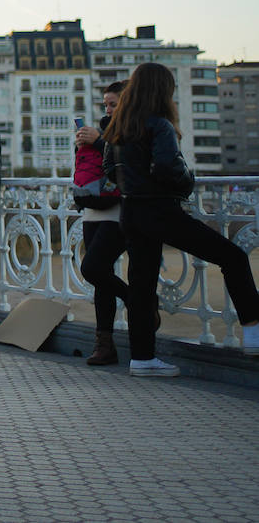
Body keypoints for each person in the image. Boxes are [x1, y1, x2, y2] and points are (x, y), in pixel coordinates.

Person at [104, 62, 259, 375]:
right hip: (160, 210)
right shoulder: (159, 124)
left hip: (131, 212)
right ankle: (254, 333)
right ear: (163, 90)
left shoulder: (117, 126)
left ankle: (142, 359)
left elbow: (110, 169)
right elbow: (167, 168)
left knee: (141, 286)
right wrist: (188, 179)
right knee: (233, 257)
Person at [73, 81, 129, 365]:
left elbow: (129, 161)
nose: (107, 109)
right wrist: (83, 145)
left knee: (92, 267)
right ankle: (104, 344)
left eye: (113, 104)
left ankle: (136, 301)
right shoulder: (103, 129)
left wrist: (97, 141)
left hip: (117, 211)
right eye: (105, 104)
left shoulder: (133, 129)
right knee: (100, 279)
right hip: (92, 209)